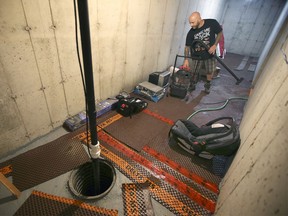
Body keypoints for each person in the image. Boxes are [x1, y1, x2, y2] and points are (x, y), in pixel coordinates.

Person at [183, 12, 223, 94]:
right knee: (194, 72)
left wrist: (215, 45)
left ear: (199, 19)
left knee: (209, 71)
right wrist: (186, 59)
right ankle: (192, 84)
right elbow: (187, 47)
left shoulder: (212, 23)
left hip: (209, 54)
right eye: (190, 22)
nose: (191, 25)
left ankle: (208, 85)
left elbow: (220, 32)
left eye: (193, 22)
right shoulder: (191, 33)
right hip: (196, 56)